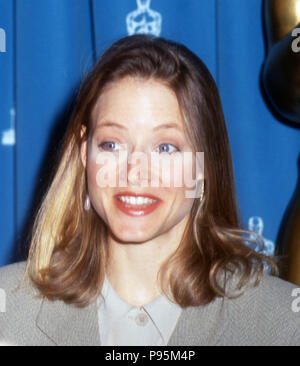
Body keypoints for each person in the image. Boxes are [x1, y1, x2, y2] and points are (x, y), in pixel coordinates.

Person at [0, 34, 299, 346]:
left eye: (165, 147)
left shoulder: (285, 326)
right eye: (111, 144)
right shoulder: (6, 314)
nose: (134, 172)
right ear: (82, 154)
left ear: (203, 167)